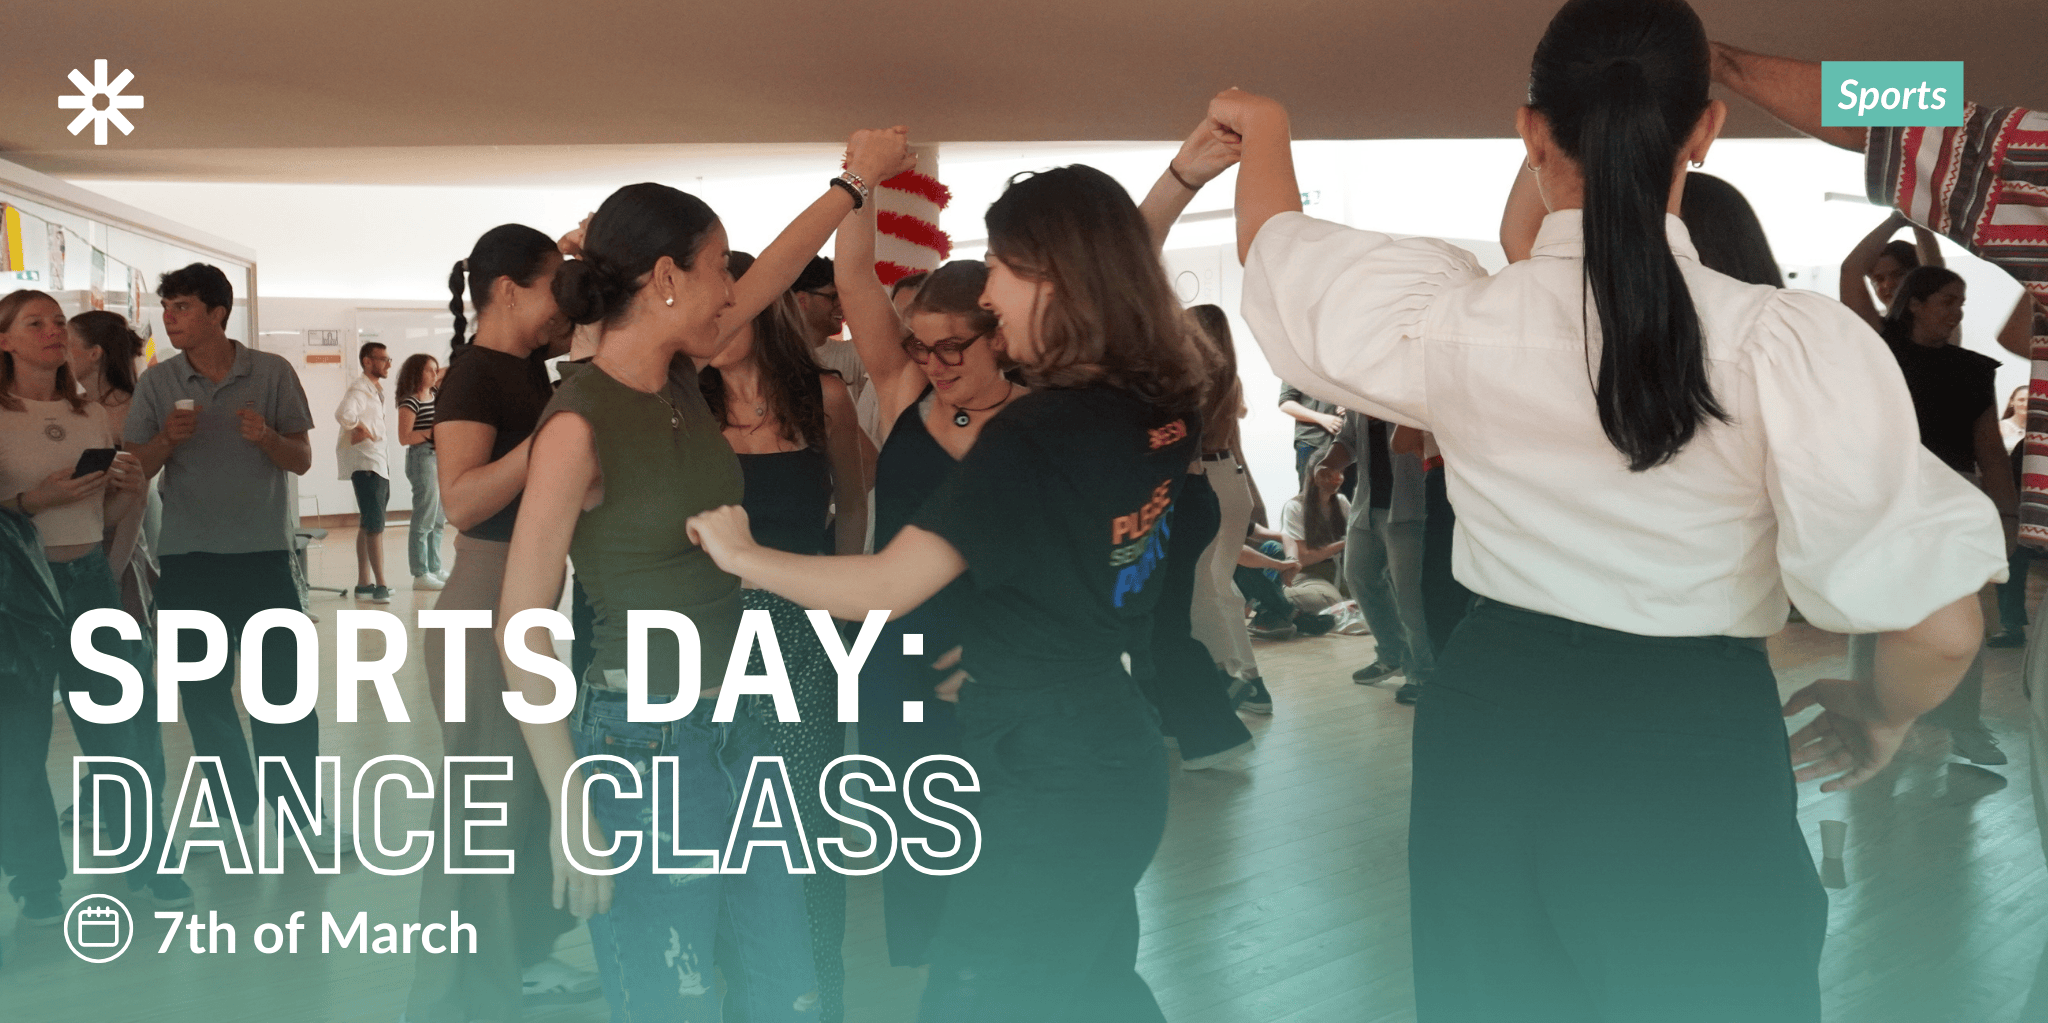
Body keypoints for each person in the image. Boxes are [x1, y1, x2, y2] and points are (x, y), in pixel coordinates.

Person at [1212, 0, 2002, 1018]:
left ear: (1530, 133)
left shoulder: (1453, 321)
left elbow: (1279, 253)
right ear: (1704, 131)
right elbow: (1941, 627)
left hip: (1488, 722)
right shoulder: (1781, 343)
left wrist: (1265, 129)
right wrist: (1880, 713)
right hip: (1684, 729)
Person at [689, 162, 1207, 1023]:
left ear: (1055, 277)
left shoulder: (1035, 431)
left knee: (981, 995)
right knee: (1094, 985)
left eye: (1001, 267)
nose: (992, 294)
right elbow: (1074, 554)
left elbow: (891, 583)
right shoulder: (1160, 397)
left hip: (1048, 765)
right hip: (1107, 739)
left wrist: (743, 554)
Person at [501, 131, 910, 1022]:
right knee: (672, 996)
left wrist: (854, 183)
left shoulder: (681, 376)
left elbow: (782, 269)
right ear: (666, 278)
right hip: (645, 739)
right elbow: (521, 620)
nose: (734, 289)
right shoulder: (579, 423)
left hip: (746, 720)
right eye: (720, 267)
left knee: (787, 986)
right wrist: (569, 798)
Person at [1706, 39, 2048, 867]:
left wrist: (1709, 55)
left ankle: (1941, 722)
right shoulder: (1880, 341)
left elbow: (1923, 109)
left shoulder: (1963, 362)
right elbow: (1928, 111)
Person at [405, 224, 589, 1023]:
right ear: (509, 290)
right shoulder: (476, 375)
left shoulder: (526, 368)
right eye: (553, 287)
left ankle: (524, 956)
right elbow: (462, 499)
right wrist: (552, 437)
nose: (562, 306)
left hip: (526, 594)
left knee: (524, 798)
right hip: (484, 599)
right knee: (482, 807)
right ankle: (461, 991)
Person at [705, 249, 871, 1023]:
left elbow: (854, 501)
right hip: (708, 634)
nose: (713, 322)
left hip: (802, 630)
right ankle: (740, 996)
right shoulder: (683, 402)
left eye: (728, 306)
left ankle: (813, 998)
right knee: (719, 827)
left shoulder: (822, 394)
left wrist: (843, 607)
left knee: (803, 825)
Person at [124, 263, 335, 846]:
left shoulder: (270, 372)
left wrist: (266, 437)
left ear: (218, 313)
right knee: (203, 695)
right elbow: (134, 470)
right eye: (167, 308)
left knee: (283, 693)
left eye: (182, 307)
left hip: (263, 558)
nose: (170, 318)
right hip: (187, 560)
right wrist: (166, 440)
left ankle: (298, 816)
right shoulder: (158, 382)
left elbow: (301, 460)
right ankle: (231, 808)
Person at [0, 291, 189, 924]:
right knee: (18, 743)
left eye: (58, 321)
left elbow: (102, 515)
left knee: (120, 733)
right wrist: (32, 501)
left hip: (88, 582)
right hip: (18, 592)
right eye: (35, 323)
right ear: (5, 341)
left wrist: (126, 491)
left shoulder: (89, 416)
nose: (53, 331)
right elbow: (28, 507)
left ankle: (148, 860)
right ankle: (36, 879)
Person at [1856, 264, 2015, 766]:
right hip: (1889, 502)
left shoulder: (1973, 369)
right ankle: (1872, 718)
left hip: (1951, 504)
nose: (1957, 311)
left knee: (1959, 620)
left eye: (1961, 302)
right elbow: (1851, 271)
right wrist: (1905, 224)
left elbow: (1990, 450)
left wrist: (2007, 518)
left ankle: (1964, 723)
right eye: (1947, 300)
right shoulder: (1881, 355)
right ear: (1916, 304)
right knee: (1881, 617)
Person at [1323, 410, 1433, 700]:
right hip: (1367, 505)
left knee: (1410, 596)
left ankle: (1423, 673)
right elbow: (1347, 440)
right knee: (1358, 576)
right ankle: (1392, 653)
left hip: (1410, 506)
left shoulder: (1405, 394)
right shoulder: (1358, 398)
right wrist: (1327, 464)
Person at [336, 341, 393, 603]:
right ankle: (381, 585)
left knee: (367, 522)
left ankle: (363, 583)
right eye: (383, 359)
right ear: (367, 361)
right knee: (375, 526)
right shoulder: (360, 388)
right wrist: (360, 429)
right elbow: (343, 413)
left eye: (388, 359)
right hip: (368, 463)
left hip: (375, 462)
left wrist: (363, 430)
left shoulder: (374, 389)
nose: (388, 364)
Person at [394, 352, 445, 591]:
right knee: (424, 518)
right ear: (417, 373)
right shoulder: (410, 401)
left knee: (438, 519)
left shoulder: (434, 394)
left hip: (438, 457)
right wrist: (433, 432)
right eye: (429, 370)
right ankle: (420, 573)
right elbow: (404, 437)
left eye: (435, 369)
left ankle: (434, 567)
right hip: (422, 459)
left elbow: (448, 372)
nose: (434, 373)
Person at [1278, 452, 1349, 615]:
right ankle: (1269, 598)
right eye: (1328, 474)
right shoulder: (1295, 507)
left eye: (1340, 472)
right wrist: (1345, 543)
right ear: (1312, 476)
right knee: (1328, 600)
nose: (1337, 478)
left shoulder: (1342, 503)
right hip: (1306, 577)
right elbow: (1303, 558)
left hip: (1336, 575)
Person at [1996, 384, 2031, 647]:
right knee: (2011, 563)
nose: (2026, 404)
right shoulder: (2002, 429)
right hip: (2013, 503)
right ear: (2012, 402)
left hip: (2030, 507)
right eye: (2021, 399)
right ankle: (2011, 625)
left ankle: (2012, 625)